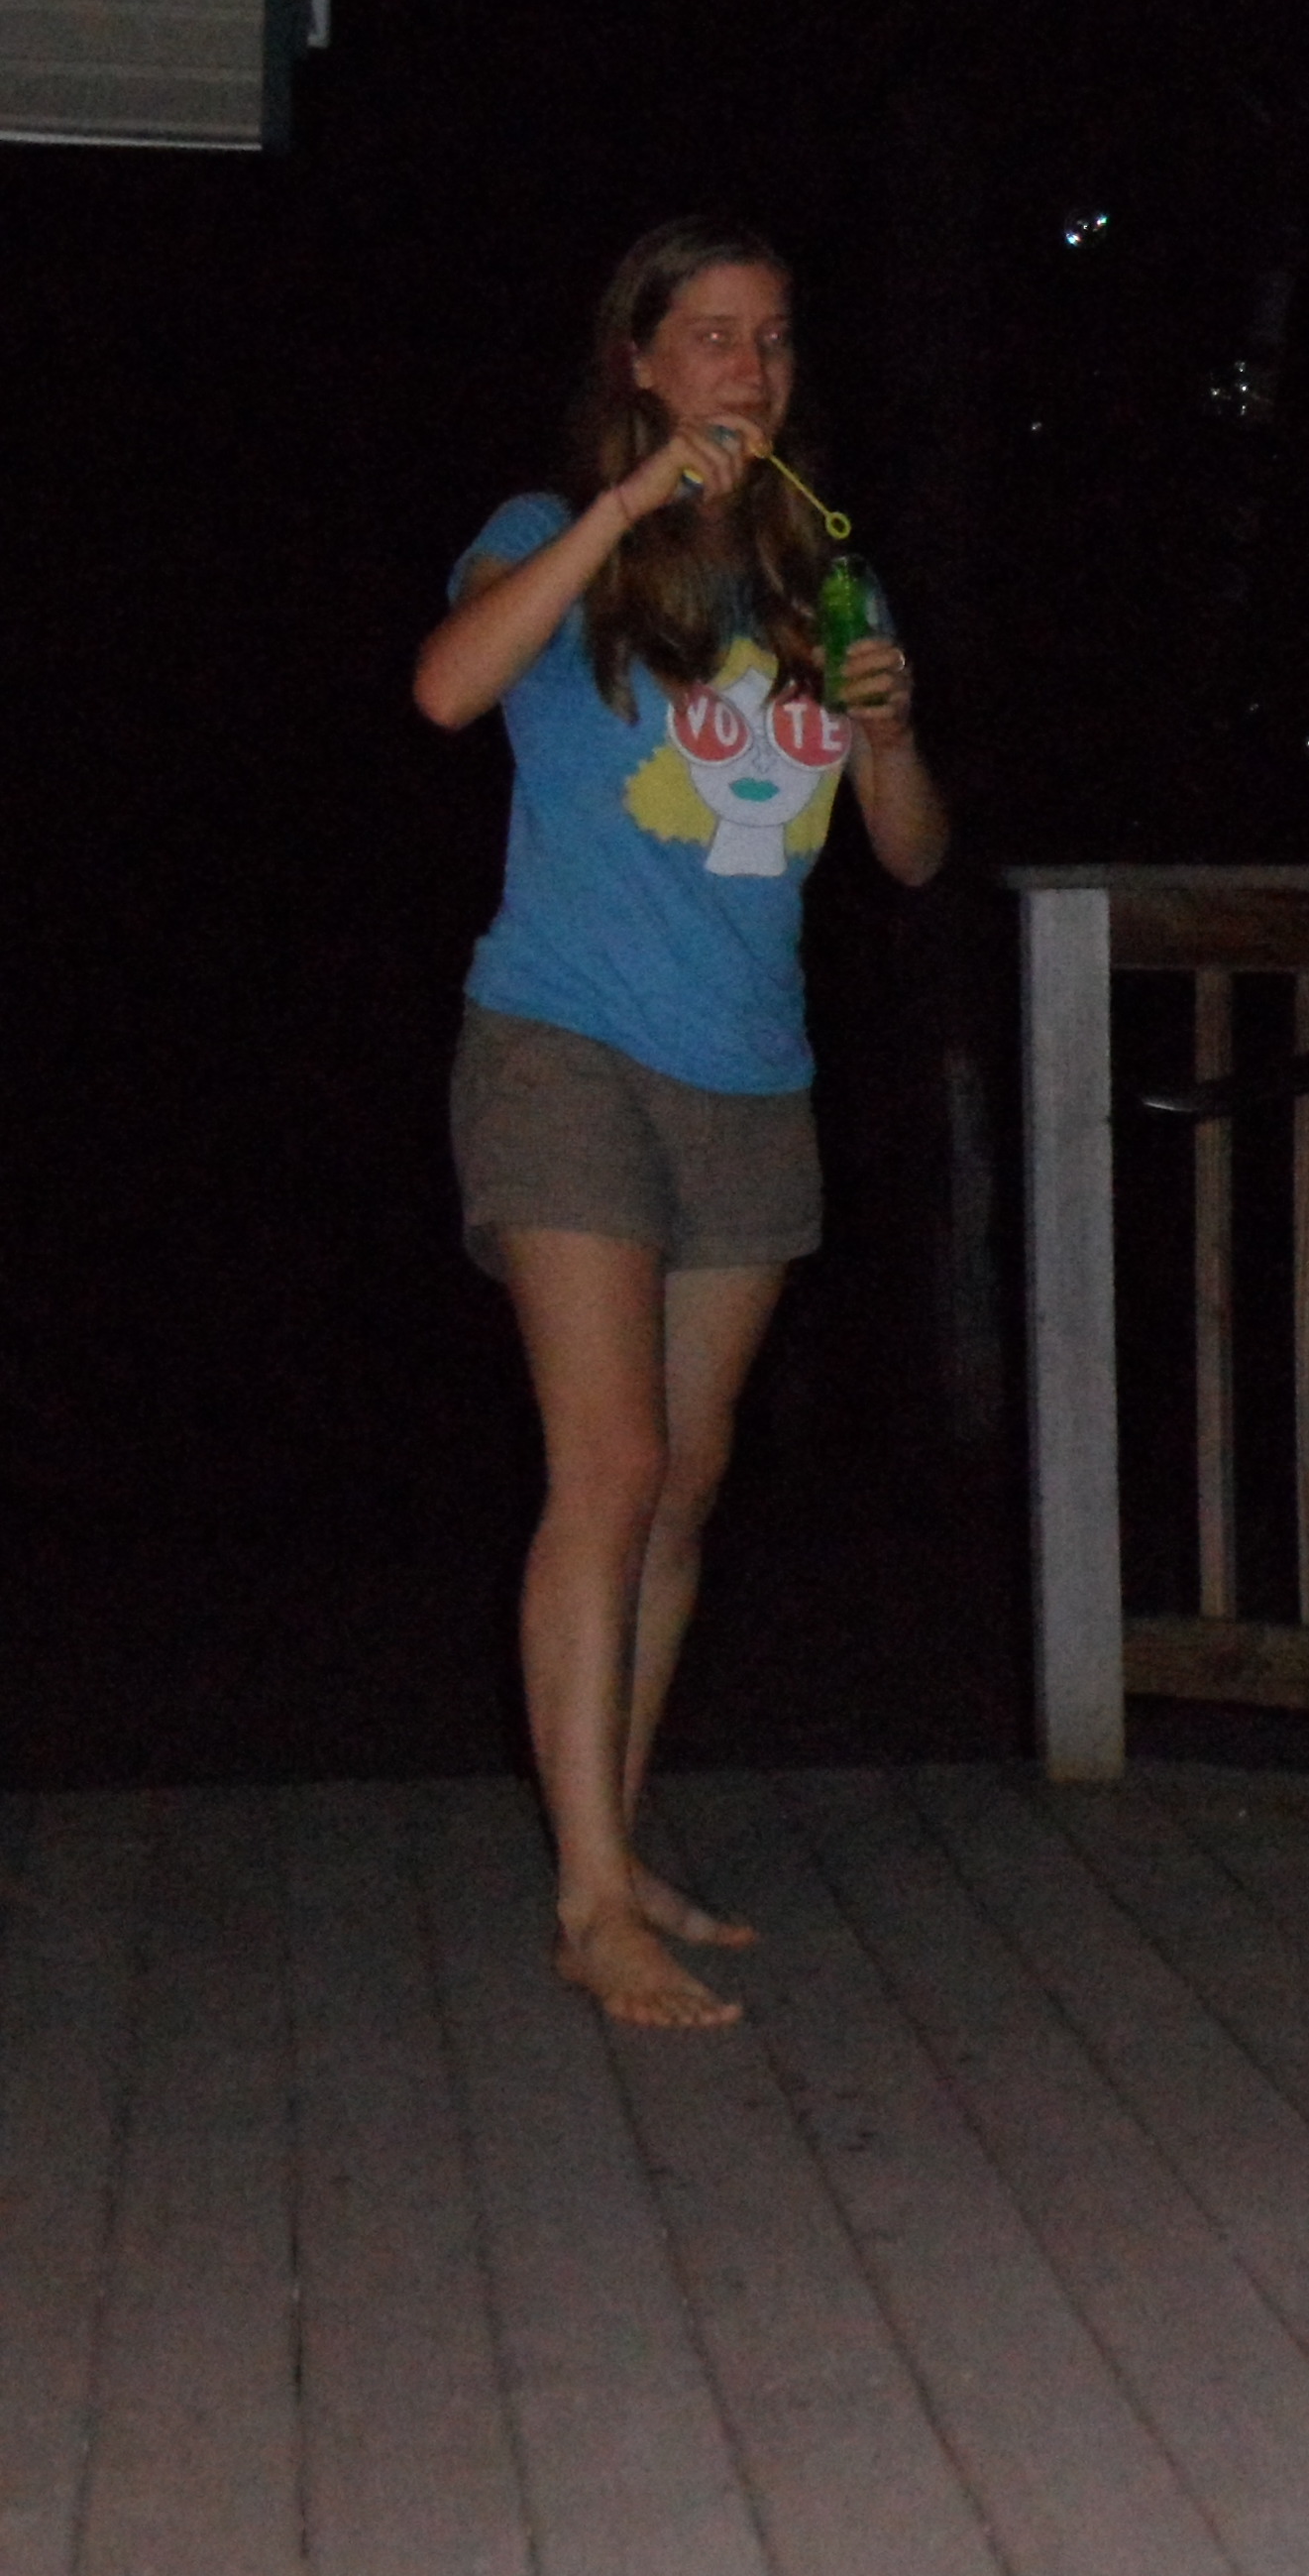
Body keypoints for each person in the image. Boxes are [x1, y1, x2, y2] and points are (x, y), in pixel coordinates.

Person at [414, 220, 948, 2029]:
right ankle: (589, 1903)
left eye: (772, 338)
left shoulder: (822, 573)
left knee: (693, 1477)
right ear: (639, 361)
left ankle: (617, 1839)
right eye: (710, 336)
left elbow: (910, 855)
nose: (748, 368)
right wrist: (630, 503)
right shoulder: (544, 530)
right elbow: (445, 687)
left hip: (751, 1071)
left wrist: (890, 738)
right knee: (614, 1465)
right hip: (563, 1048)